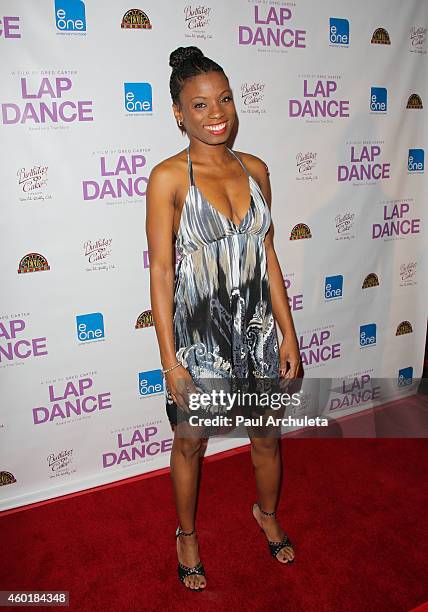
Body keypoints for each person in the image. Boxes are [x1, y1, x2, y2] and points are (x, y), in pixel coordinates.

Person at [145, 46, 300, 591]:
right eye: (202, 103)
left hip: (256, 332)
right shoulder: (167, 178)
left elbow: (269, 256)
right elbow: (161, 273)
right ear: (178, 113)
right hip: (199, 341)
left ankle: (266, 513)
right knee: (190, 441)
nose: (218, 112)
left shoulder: (255, 169)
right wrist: (169, 361)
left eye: (226, 99)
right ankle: (186, 534)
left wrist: (287, 331)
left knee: (266, 435)